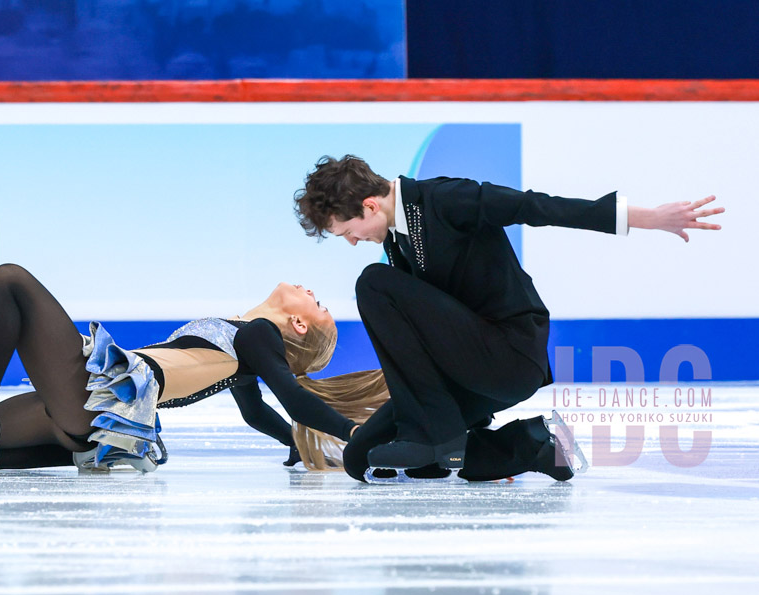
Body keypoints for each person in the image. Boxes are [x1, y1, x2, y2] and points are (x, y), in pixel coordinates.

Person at [294, 154, 724, 482]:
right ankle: (535, 445)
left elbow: (537, 207)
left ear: (370, 206)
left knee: (372, 283)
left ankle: (439, 435)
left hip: (507, 352)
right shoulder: (396, 237)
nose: (352, 241)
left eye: (347, 231)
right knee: (359, 458)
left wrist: (649, 218)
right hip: (467, 367)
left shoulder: (444, 199)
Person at [0, 263, 384, 474]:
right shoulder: (244, 349)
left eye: (317, 303)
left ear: (298, 323)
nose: (310, 290)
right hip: (90, 424)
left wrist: (349, 433)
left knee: (8, 281)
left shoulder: (257, 336)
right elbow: (256, 414)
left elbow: (293, 398)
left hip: (91, 396)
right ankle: (81, 453)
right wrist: (294, 444)